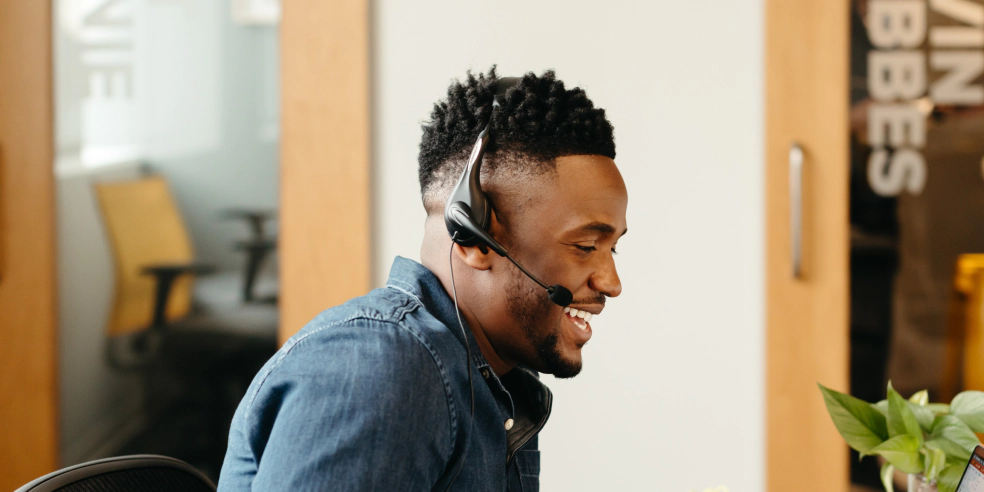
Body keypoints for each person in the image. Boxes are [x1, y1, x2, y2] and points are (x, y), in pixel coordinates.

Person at [217, 68, 627, 491]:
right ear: (475, 237)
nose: (612, 283)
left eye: (612, 248)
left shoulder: (496, 384)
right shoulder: (380, 370)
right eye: (584, 246)